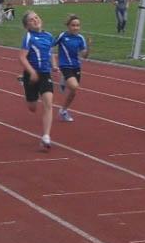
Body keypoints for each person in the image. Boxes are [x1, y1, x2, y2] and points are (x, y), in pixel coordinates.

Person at [18, 10, 57, 150]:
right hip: (31, 76)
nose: (35, 20)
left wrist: (54, 65)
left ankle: (46, 136)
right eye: (31, 19)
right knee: (32, 107)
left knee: (48, 104)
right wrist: (31, 72)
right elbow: (22, 57)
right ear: (27, 26)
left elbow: (50, 52)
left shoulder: (49, 36)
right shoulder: (29, 37)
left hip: (45, 74)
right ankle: (24, 83)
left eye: (36, 17)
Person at [54, 14, 91, 123]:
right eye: (73, 25)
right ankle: (64, 79)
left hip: (76, 66)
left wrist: (89, 47)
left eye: (77, 25)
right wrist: (53, 62)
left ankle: (63, 110)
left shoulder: (80, 38)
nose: (75, 28)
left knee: (73, 91)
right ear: (68, 26)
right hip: (65, 65)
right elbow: (51, 45)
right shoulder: (62, 36)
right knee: (74, 86)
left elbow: (84, 56)